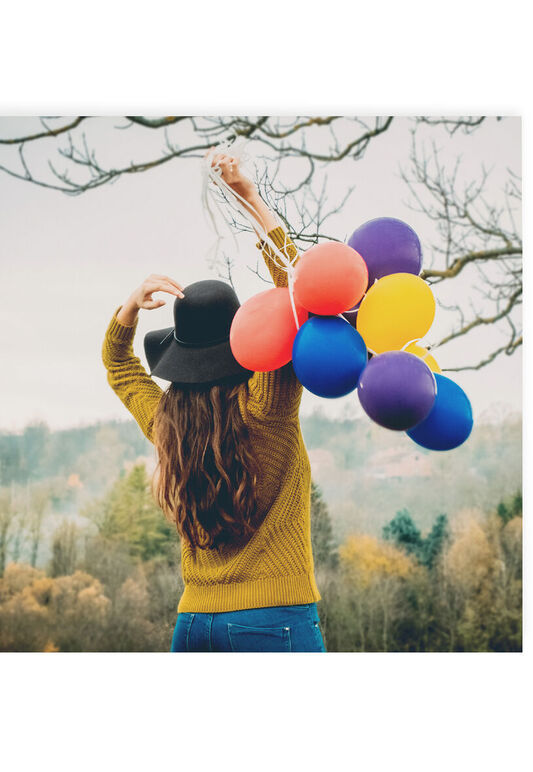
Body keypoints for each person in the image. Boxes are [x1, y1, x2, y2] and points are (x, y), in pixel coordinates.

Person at [100, 153, 325, 652]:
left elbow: (119, 366)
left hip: (194, 624)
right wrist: (249, 198)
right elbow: (298, 297)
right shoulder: (266, 407)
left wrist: (131, 306)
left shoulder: (168, 424)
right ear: (243, 338)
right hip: (273, 620)